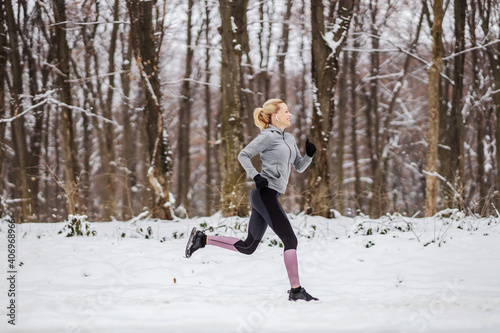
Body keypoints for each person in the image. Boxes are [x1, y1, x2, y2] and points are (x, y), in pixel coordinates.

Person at [185, 99, 318, 301]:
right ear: (276, 116)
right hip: (264, 194)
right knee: (290, 240)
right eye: (287, 111)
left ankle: (202, 239)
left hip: (271, 196)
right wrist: (256, 176)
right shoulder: (267, 137)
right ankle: (296, 290)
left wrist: (309, 155)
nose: (290, 114)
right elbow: (243, 155)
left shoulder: (289, 138)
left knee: (248, 247)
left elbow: (298, 166)